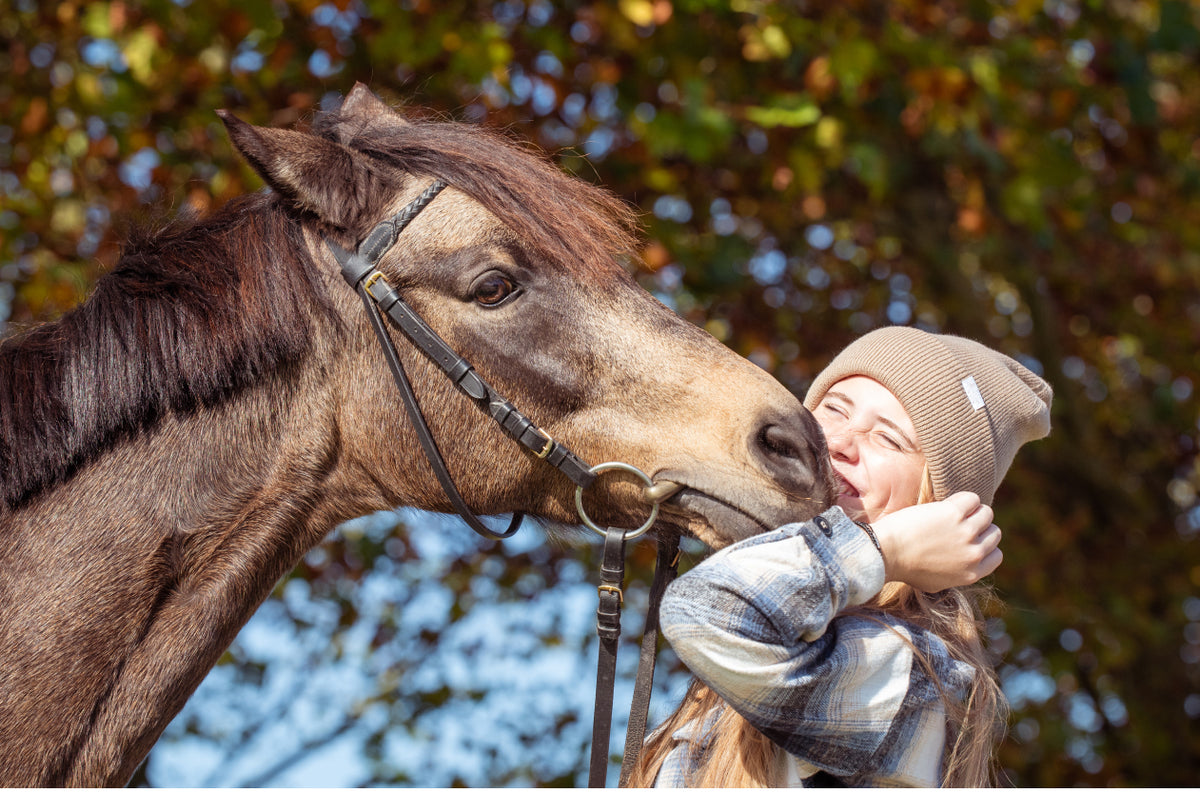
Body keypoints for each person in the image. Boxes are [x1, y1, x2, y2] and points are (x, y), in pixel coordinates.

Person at [627, 326, 1053, 787]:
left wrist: (888, 548)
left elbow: (703, 611)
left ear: (939, 509)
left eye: (888, 439)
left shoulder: (905, 668)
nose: (840, 443)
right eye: (833, 409)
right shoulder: (790, 613)